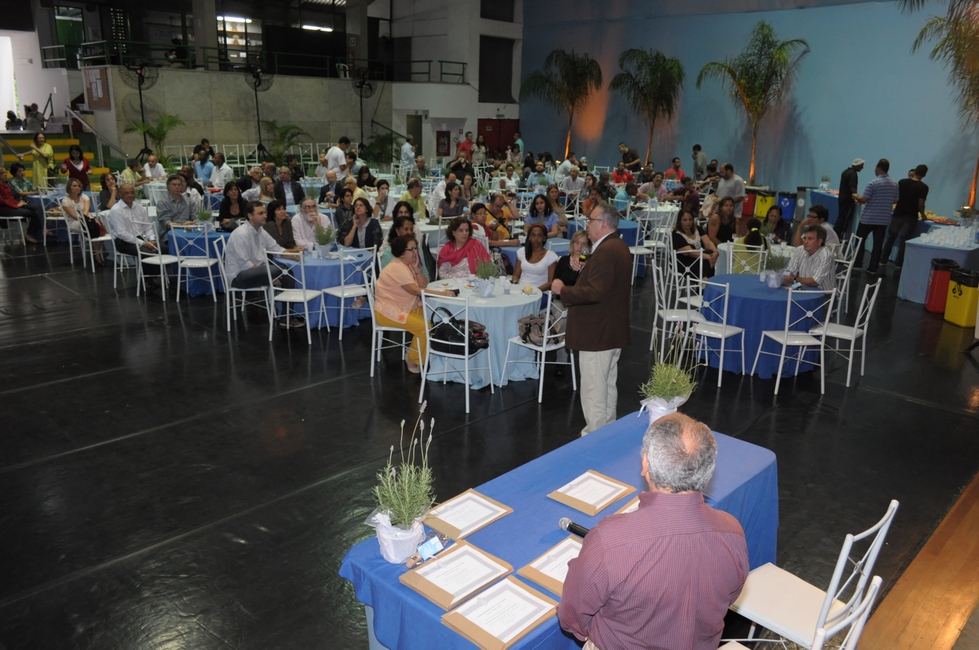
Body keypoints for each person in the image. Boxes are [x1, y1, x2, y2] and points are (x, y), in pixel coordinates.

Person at [558, 412, 750, 650]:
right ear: (708, 471)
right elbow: (730, 594)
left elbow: (571, 615)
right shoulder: (732, 531)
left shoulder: (609, 540)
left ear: (646, 464)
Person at [550, 203, 631, 436]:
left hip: (596, 331)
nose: (587, 224)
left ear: (604, 224)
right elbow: (599, 276)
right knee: (606, 385)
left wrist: (562, 289)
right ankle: (607, 431)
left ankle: (594, 437)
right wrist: (586, 267)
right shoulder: (617, 246)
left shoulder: (606, 251)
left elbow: (594, 292)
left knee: (594, 389)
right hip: (610, 330)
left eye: (591, 220)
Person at [374, 234, 455, 373]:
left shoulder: (407, 265)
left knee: (432, 319)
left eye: (416, 248)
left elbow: (424, 283)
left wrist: (417, 269)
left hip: (405, 306)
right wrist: (443, 293)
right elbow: (416, 290)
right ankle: (413, 357)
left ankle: (419, 352)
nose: (415, 252)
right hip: (388, 312)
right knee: (426, 327)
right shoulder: (397, 268)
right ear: (401, 252)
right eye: (411, 250)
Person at [853, 158, 899, 275]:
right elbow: (895, 200)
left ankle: (858, 264)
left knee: (860, 241)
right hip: (883, 219)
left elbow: (864, 199)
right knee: (878, 244)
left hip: (868, 218)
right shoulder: (894, 184)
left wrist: (856, 196)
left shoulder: (873, 183)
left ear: (878, 168)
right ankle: (873, 268)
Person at [105, 183, 159, 279]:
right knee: (148, 254)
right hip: (124, 242)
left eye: (132, 193)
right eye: (126, 193)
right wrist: (144, 244)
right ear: (120, 195)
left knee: (166, 248)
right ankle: (148, 281)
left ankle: (160, 276)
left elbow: (147, 227)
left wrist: (152, 239)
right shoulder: (116, 210)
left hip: (141, 238)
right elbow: (122, 233)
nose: (130, 195)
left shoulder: (139, 207)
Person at [883, 164, 929, 268]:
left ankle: (883, 260)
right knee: (904, 240)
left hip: (898, 213)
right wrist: (923, 215)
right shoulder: (924, 187)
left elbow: (896, 197)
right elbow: (920, 204)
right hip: (911, 216)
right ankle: (899, 264)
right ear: (924, 174)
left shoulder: (902, 182)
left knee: (891, 238)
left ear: (915, 171)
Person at [61, 177, 104, 265]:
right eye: (74, 186)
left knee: (95, 226)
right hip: (74, 222)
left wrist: (86, 219)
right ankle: (96, 254)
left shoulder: (84, 197)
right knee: (92, 227)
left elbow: (86, 210)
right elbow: (74, 215)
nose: (77, 188)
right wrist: (86, 219)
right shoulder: (65, 201)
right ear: (69, 187)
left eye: (79, 186)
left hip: (86, 219)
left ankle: (97, 254)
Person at [783, 224, 837, 291]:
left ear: (819, 242)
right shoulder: (799, 250)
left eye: (810, 239)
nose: (805, 242)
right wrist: (784, 275)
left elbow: (815, 281)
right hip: (803, 288)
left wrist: (793, 279)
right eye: (804, 238)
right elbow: (790, 270)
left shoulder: (826, 256)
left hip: (824, 295)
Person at [0, 165, 45, 244]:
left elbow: (10, 198)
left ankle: (42, 230)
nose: (5, 174)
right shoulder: (8, 183)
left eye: (5, 172)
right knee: (34, 213)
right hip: (5, 209)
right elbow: (2, 201)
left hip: (13, 204)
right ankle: (33, 233)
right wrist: (16, 205)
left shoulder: (5, 184)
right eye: (3, 173)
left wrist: (17, 203)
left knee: (37, 207)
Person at [673, 208, 718, 277]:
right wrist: (709, 257)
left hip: (699, 258)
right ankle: (705, 282)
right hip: (683, 262)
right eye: (685, 220)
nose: (688, 222)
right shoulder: (676, 234)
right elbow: (690, 252)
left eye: (690, 219)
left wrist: (715, 252)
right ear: (680, 221)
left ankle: (705, 282)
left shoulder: (698, 229)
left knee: (709, 255)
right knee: (706, 262)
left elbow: (708, 243)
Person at [512, 223, 558, 291]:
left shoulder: (551, 256)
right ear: (529, 237)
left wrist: (535, 291)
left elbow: (551, 282)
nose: (536, 239)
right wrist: (515, 286)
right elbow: (515, 275)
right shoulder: (522, 252)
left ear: (544, 238)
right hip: (521, 290)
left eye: (539, 236)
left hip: (541, 292)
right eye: (533, 235)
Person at [836, 158, 864, 238]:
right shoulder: (853, 174)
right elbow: (853, 188)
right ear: (857, 165)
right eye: (861, 166)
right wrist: (858, 198)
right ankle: (838, 236)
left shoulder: (845, 172)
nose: (862, 168)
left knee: (840, 218)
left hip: (841, 198)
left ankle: (836, 235)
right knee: (844, 220)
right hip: (847, 201)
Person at [715, 162, 746, 233]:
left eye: (722, 172)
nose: (720, 174)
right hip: (722, 212)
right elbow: (718, 193)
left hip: (734, 213)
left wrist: (726, 203)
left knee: (733, 232)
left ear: (728, 171)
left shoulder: (738, 180)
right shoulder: (722, 179)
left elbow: (741, 197)